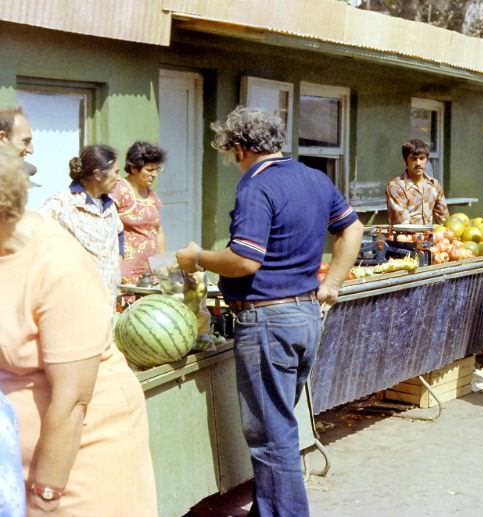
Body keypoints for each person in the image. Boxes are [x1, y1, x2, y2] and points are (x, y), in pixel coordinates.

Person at [175, 106, 363, 516]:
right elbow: (354, 228)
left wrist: (198, 258)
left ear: (239, 147)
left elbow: (244, 260)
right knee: (280, 425)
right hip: (305, 316)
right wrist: (331, 285)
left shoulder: (255, 187)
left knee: (270, 435)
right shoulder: (314, 178)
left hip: (268, 321)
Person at [0, 144, 157, 515]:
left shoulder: (58, 268)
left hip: (77, 458)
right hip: (13, 461)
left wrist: (44, 497)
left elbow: (71, 401)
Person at [41, 145, 123, 311]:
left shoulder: (109, 205)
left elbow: (120, 233)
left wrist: (116, 263)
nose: (119, 178)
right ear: (98, 174)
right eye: (116, 172)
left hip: (108, 298)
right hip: (75, 300)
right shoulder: (62, 203)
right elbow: (35, 238)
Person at [112, 141, 167, 283]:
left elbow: (158, 230)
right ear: (134, 168)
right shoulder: (119, 190)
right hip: (127, 270)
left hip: (150, 271)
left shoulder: (150, 194)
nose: (154, 175)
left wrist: (161, 263)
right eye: (149, 170)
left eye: (157, 170)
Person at [386, 139, 449, 225]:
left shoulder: (434, 184)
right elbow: (403, 224)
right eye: (413, 159)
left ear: (427, 160)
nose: (418, 163)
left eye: (422, 158)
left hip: (430, 237)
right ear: (406, 160)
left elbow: (444, 219)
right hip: (404, 237)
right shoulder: (396, 186)